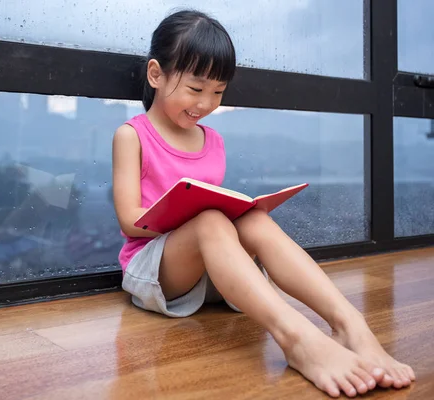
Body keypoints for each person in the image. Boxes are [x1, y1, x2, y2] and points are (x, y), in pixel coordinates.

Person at [111, 8, 415, 398]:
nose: (205, 103)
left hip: (211, 266)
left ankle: (350, 325)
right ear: (157, 75)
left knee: (252, 220)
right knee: (209, 221)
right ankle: (297, 338)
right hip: (154, 267)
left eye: (218, 92)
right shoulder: (132, 135)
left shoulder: (212, 140)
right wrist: (195, 214)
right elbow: (130, 221)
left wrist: (228, 210)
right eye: (195, 88)